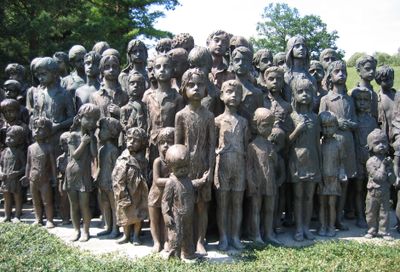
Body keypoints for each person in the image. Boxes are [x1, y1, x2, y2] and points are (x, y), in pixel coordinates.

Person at [175, 68, 215, 255]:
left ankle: (200, 240)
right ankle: (187, 239)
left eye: (200, 84)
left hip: (204, 166)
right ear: (184, 88)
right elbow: (176, 147)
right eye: (191, 85)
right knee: (186, 206)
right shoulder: (181, 115)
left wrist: (211, 171)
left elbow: (211, 146)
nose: (196, 88)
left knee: (202, 206)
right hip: (186, 168)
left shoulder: (209, 116)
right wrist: (178, 172)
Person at [319, 60, 358, 230]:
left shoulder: (349, 99)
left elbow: (356, 122)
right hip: (330, 145)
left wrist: (348, 124)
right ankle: (327, 218)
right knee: (329, 182)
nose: (341, 74)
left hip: (347, 143)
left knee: (345, 181)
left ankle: (339, 217)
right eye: (336, 71)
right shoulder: (326, 99)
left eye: (343, 71)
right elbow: (321, 120)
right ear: (330, 75)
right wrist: (335, 123)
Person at [214, 80, 249, 250]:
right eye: (229, 92)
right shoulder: (217, 121)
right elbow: (213, 146)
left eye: (237, 93)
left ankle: (235, 236)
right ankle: (223, 237)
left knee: (237, 203)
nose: (233, 95)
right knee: (222, 203)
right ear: (221, 95)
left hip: (239, 165)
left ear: (241, 97)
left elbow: (246, 145)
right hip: (223, 165)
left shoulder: (243, 122)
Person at [288, 77, 321, 241]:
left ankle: (307, 227)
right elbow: (287, 141)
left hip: (312, 161)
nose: (304, 95)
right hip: (296, 160)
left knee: (309, 196)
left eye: (307, 91)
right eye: (300, 92)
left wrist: (320, 166)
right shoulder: (292, 116)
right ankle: (298, 227)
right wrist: (298, 130)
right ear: (294, 95)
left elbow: (317, 143)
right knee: (298, 196)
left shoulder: (315, 118)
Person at [162, 144, 207, 261]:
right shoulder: (171, 182)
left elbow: (192, 184)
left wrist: (202, 180)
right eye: (178, 168)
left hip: (188, 214)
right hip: (176, 215)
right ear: (170, 168)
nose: (183, 170)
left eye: (185, 167)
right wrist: (166, 215)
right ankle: (174, 256)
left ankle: (188, 253)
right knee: (175, 236)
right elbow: (165, 201)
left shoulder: (186, 179)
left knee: (188, 235)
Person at [63, 104, 100, 242]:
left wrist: (91, 140)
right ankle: (76, 230)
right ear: (80, 118)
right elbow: (75, 155)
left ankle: (86, 231)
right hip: (72, 173)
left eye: (94, 120)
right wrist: (84, 143)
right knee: (74, 205)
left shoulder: (92, 137)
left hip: (84, 174)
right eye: (88, 118)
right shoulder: (73, 136)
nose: (91, 122)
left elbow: (94, 154)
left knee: (84, 204)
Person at [246, 108, 281, 245]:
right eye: (265, 125)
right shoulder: (252, 146)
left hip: (269, 181)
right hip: (257, 182)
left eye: (271, 126)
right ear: (256, 126)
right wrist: (251, 182)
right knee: (256, 209)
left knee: (269, 209)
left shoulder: (270, 145)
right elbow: (248, 167)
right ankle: (255, 235)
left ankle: (268, 233)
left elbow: (276, 165)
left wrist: (274, 158)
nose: (269, 129)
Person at [143, 54, 184, 165]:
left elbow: (179, 126)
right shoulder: (148, 96)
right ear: (154, 71)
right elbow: (146, 122)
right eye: (158, 67)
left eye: (166, 67)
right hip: (153, 143)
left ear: (172, 70)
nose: (162, 70)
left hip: (170, 143)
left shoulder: (178, 98)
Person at [113, 128, 149, 245]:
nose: (131, 142)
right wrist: (120, 190)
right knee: (125, 213)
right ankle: (126, 235)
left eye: (136, 140)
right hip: (124, 190)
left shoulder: (143, 158)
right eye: (129, 139)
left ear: (142, 143)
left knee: (138, 213)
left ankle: (136, 236)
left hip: (138, 191)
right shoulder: (123, 157)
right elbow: (117, 174)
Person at [318, 111, 347, 237]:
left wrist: (342, 173)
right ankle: (323, 226)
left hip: (334, 177)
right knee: (322, 204)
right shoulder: (319, 143)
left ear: (336, 127)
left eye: (330, 126)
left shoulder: (339, 142)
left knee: (331, 204)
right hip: (322, 178)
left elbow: (342, 162)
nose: (327, 129)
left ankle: (331, 226)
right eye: (324, 127)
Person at [351, 87, 378, 227]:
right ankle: (359, 215)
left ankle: (371, 215)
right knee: (358, 189)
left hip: (370, 159)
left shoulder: (372, 121)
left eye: (365, 100)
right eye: (359, 100)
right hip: (356, 158)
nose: (362, 103)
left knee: (370, 189)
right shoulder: (353, 121)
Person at [26, 117, 57, 228]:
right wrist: (26, 176)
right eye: (34, 128)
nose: (36, 131)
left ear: (47, 132)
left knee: (47, 201)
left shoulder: (49, 147)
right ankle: (38, 219)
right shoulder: (30, 148)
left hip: (45, 178)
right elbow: (28, 164)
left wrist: (54, 178)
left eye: (40, 129)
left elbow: (53, 164)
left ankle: (49, 220)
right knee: (36, 200)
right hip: (33, 178)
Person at [365, 129, 395, 240]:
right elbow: (378, 177)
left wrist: (391, 172)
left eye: (384, 142)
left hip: (385, 191)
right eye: (377, 143)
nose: (381, 146)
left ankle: (384, 231)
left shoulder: (388, 161)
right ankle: (371, 230)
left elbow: (392, 180)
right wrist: (383, 166)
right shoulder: (370, 162)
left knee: (385, 212)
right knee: (371, 212)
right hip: (373, 192)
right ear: (370, 146)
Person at [148, 127, 174, 253]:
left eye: (169, 142)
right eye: (162, 143)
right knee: (154, 220)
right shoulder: (157, 162)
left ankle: (166, 241)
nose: (165, 145)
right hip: (155, 196)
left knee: (166, 221)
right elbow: (157, 180)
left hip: (168, 197)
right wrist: (172, 181)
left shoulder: (175, 163)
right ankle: (156, 242)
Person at [96, 117, 122, 238]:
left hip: (111, 183)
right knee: (105, 205)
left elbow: (116, 169)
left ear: (111, 132)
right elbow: (100, 166)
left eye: (103, 129)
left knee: (114, 205)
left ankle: (115, 229)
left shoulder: (113, 150)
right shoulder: (101, 149)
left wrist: (114, 182)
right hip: (102, 181)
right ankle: (108, 226)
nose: (100, 132)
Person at [231, 46, 263, 134]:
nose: (240, 63)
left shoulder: (257, 93)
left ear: (250, 64)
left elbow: (260, 119)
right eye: (237, 60)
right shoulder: (227, 89)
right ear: (232, 63)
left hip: (251, 135)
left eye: (244, 60)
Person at [0, 126, 26, 223]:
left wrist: (18, 173)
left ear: (19, 140)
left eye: (12, 137)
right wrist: (1, 172)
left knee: (17, 198)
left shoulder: (20, 153)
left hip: (16, 180)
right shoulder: (4, 152)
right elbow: (0, 165)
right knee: (6, 198)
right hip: (6, 180)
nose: (8, 139)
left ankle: (17, 216)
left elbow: (25, 167)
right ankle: (7, 216)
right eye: (7, 136)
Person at [352, 55, 378, 120]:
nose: (372, 71)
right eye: (367, 69)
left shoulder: (374, 94)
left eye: (374, 69)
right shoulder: (353, 93)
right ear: (358, 71)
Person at [375, 65, 396, 141]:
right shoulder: (376, 99)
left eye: (391, 79)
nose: (389, 82)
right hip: (385, 136)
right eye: (386, 80)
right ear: (378, 80)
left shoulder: (397, 96)